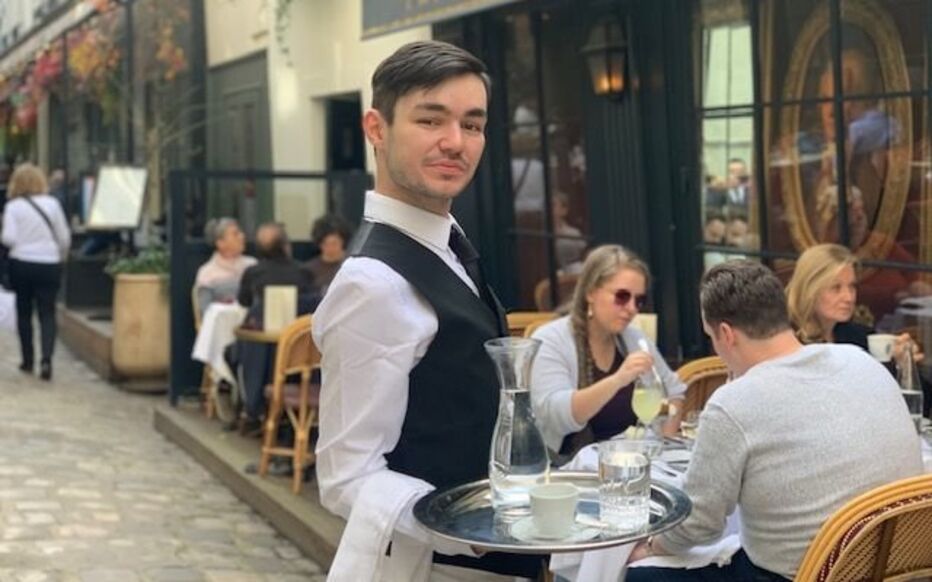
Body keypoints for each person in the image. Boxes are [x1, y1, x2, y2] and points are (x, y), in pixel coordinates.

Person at [313, 41, 542, 580]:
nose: (455, 142)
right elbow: (346, 475)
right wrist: (474, 531)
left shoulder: (449, 241)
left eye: (473, 124)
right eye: (430, 120)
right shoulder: (373, 284)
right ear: (376, 129)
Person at [626, 260, 923, 581]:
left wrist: (652, 545)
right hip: (899, 569)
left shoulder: (734, 402)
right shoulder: (861, 360)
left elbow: (699, 525)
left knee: (638, 574)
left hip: (808, 574)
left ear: (725, 333)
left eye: (711, 336)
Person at [530, 244, 685, 460]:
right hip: (570, 470)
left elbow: (675, 392)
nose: (631, 308)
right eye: (622, 296)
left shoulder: (634, 338)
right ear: (591, 292)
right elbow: (555, 415)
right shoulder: (550, 339)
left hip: (633, 464)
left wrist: (662, 447)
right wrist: (618, 380)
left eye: (639, 300)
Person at [1, 163, 71, 381]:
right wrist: (60, 256)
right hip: (48, 263)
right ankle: (47, 359)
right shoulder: (53, 204)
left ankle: (28, 359)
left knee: (24, 312)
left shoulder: (13, 207)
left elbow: (9, 238)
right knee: (47, 312)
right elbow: (64, 237)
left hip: (21, 263)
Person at [236, 222, 312, 312]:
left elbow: (244, 302)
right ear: (285, 245)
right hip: (297, 325)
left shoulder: (252, 273)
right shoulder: (304, 271)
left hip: (261, 325)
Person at [193, 218, 256, 317]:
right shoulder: (207, 273)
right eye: (235, 234)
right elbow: (205, 312)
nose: (242, 236)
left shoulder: (252, 265)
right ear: (220, 243)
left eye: (240, 232)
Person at [304, 214, 352, 298]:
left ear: (343, 241)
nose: (330, 248)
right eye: (325, 244)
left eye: (334, 243)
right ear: (319, 244)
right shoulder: (309, 270)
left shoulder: (353, 265)